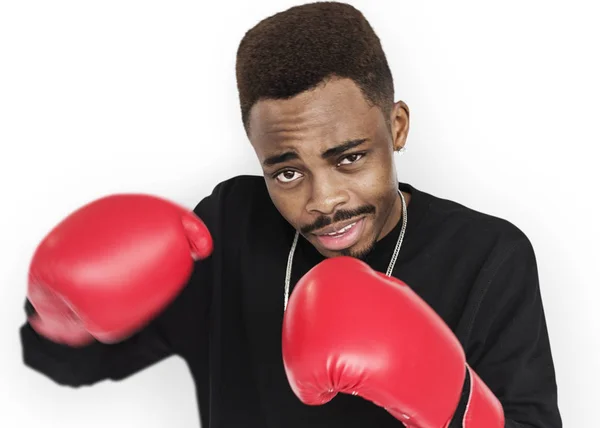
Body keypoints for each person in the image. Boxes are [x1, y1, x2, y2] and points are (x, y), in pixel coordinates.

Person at [20, 2, 562, 427]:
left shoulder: (487, 256)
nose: (323, 200)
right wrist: (60, 317)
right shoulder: (229, 228)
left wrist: (455, 406)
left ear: (395, 127)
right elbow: (82, 363)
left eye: (348, 158)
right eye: (286, 172)